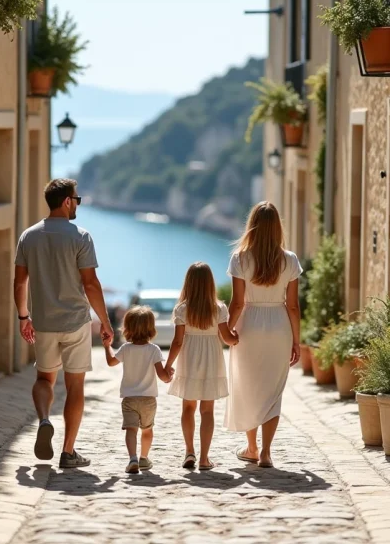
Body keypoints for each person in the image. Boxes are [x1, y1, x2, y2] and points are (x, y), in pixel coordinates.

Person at [14, 178, 113, 468]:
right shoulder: (81, 236)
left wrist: (24, 316)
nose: (77, 204)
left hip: (43, 322)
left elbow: (20, 281)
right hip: (76, 323)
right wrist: (105, 321)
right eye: (77, 200)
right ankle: (68, 452)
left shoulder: (28, 237)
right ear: (67, 201)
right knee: (75, 387)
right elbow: (91, 284)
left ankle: (45, 419)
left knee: (44, 379)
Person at [224, 202, 302, 468]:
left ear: (252, 226)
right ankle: (266, 452)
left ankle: (252, 447)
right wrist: (296, 340)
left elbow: (237, 303)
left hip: (250, 325)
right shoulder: (290, 260)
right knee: (273, 391)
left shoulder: (240, 258)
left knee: (249, 387)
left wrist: (226, 329)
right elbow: (293, 306)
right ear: (278, 227)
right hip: (279, 325)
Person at [164, 263, 237, 471]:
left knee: (188, 408)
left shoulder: (182, 309)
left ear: (189, 283)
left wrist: (168, 365)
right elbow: (227, 338)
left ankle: (189, 452)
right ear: (209, 284)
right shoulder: (219, 308)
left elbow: (177, 342)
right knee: (207, 410)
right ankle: (205, 459)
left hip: (189, 359)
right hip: (212, 360)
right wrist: (236, 339)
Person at [102, 306, 173, 474]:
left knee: (131, 430)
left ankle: (132, 458)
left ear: (127, 328)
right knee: (147, 430)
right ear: (151, 328)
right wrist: (169, 375)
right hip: (148, 399)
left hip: (129, 399)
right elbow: (162, 376)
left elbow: (111, 362)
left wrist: (107, 346)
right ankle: (144, 458)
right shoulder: (154, 350)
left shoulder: (126, 348)